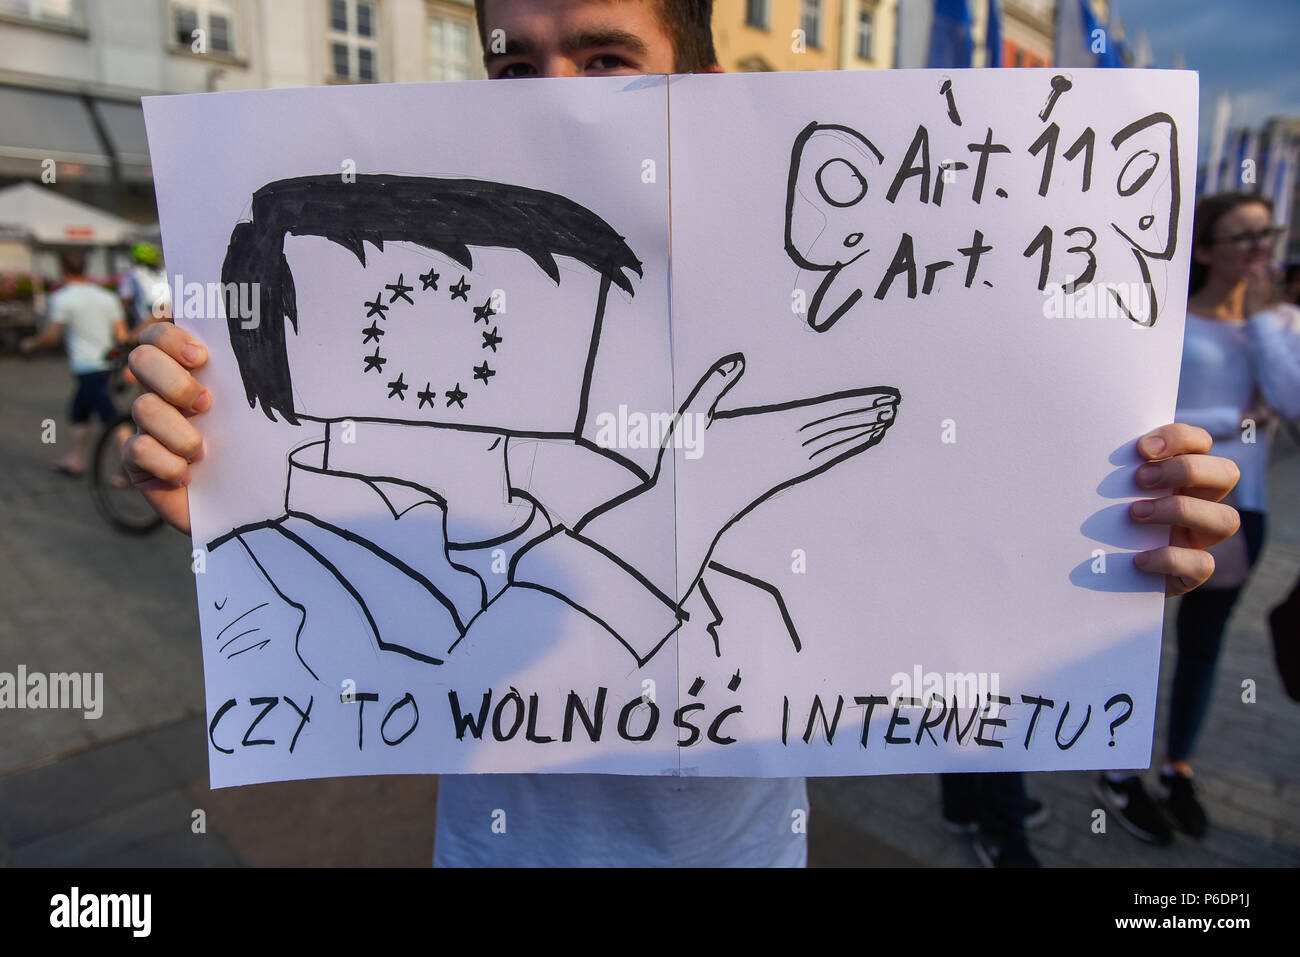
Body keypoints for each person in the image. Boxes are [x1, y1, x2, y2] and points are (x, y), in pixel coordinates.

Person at [123, 0, 1243, 867]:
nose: (552, 99)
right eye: (514, 63)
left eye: (606, 58)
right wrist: (222, 483)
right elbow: (370, 663)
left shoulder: (781, 321)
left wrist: (1101, 544)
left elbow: (912, 545)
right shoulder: (375, 471)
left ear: (702, 87)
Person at [1095, 193, 1300, 844]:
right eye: (1242, 236)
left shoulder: (1279, 325)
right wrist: (1238, 420)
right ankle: (1118, 771)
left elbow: (1293, 402)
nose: (1259, 248)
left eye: (1267, 234)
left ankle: (1178, 763)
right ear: (1205, 248)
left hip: (1248, 510)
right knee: (1135, 643)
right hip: (1172, 503)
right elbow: (1149, 419)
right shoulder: (1170, 323)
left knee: (1205, 649)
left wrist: (1264, 323)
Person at [20, 248, 127, 476]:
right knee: (79, 412)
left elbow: (52, 337)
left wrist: (31, 344)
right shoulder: (107, 297)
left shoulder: (61, 298)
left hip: (88, 366)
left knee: (111, 417)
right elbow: (122, 335)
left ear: (62, 269)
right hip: (107, 363)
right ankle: (76, 460)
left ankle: (131, 466)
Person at [118, 242, 170, 333]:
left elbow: (123, 301)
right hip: (170, 323)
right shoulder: (166, 273)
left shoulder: (134, 274)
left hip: (145, 327)